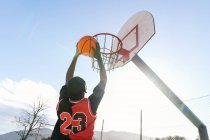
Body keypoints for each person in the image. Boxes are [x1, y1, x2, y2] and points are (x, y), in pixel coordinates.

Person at [51, 43, 107, 140]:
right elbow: (103, 80)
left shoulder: (62, 101)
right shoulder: (90, 105)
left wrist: (76, 55)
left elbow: (68, 78)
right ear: (85, 91)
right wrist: (99, 58)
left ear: (67, 89)